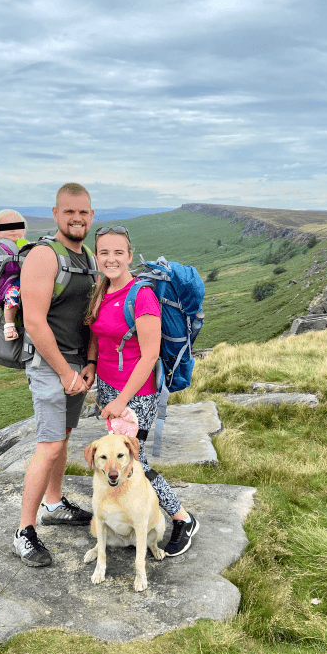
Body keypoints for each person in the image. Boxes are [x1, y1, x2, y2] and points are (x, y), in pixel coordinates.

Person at [84, 225, 200, 556]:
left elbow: (149, 354)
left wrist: (121, 401)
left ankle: (182, 518)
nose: (111, 259)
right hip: (108, 387)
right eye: (104, 252)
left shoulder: (143, 296)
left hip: (136, 395)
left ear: (130, 256)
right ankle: (127, 511)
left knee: (138, 460)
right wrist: (92, 365)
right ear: (97, 256)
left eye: (118, 252)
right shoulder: (101, 290)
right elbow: (96, 332)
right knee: (120, 458)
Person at [13, 183, 98, 567]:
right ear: (55, 213)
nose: (77, 219)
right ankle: (24, 532)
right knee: (49, 443)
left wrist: (91, 364)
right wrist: (65, 372)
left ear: (91, 215)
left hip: (78, 367)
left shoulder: (91, 258)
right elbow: (33, 321)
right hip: (51, 366)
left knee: (63, 437)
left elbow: (92, 318)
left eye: (83, 212)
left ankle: (54, 503)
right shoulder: (44, 256)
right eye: (69, 212)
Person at [0, 209, 30, 341]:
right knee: (12, 295)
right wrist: (24, 262)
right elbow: (9, 266)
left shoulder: (25, 243)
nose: (13, 229)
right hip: (11, 281)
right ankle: (9, 324)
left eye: (17, 225)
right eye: (7, 226)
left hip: (29, 277)